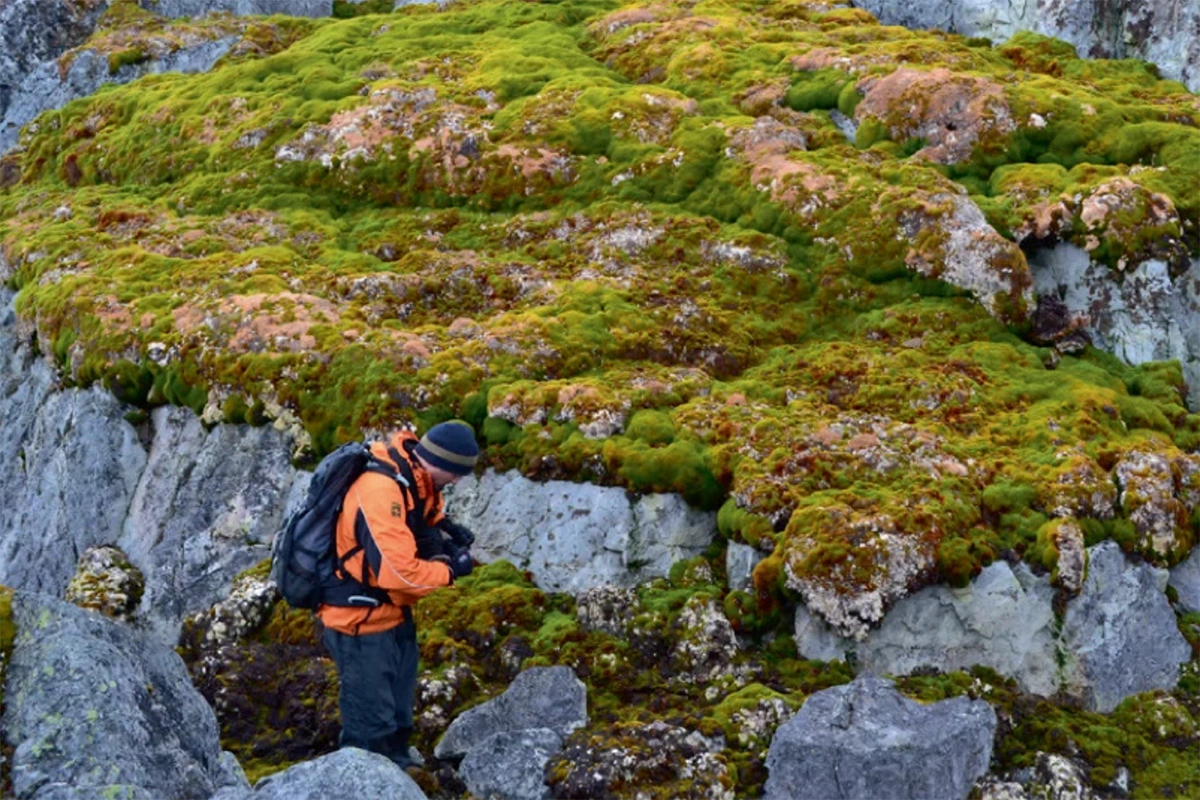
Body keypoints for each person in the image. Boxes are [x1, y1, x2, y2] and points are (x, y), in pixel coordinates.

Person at [317, 420, 480, 769]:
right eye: (456, 474)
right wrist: (450, 571)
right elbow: (399, 574)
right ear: (443, 463)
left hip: (391, 613)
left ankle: (399, 770)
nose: (457, 481)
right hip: (358, 621)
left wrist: (443, 538)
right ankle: (361, 782)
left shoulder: (415, 479)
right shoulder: (381, 489)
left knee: (398, 717)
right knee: (369, 728)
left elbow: (423, 521)